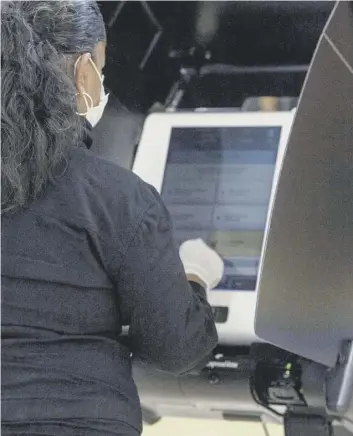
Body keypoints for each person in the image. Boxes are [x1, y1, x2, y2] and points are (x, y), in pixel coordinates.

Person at [1, 2, 224, 435]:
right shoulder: (117, 199)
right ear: (84, 71)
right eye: (101, 67)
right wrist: (195, 276)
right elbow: (175, 348)